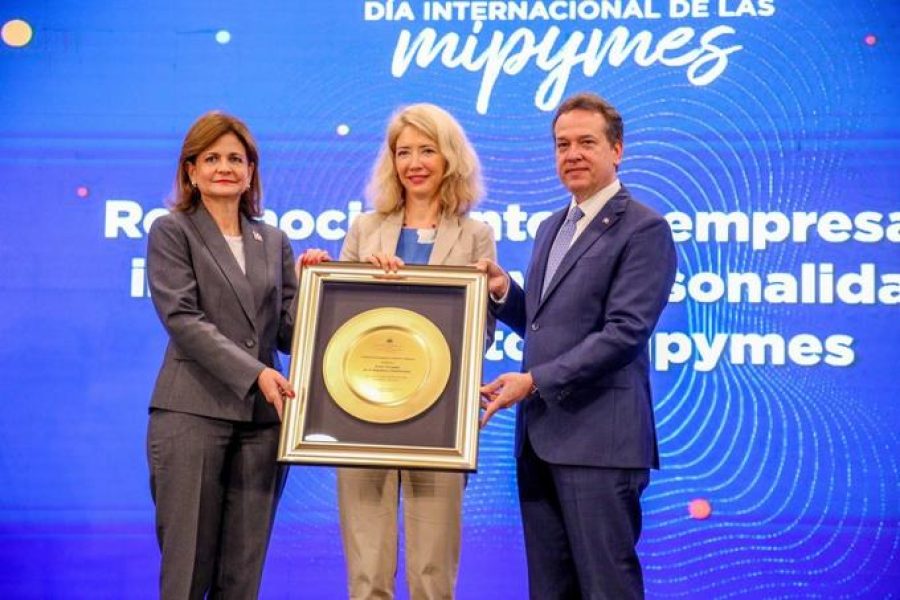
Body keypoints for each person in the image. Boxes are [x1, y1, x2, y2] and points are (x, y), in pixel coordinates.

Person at [477, 92, 677, 599]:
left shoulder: (644, 228)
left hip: (600, 445)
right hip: (542, 440)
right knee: (550, 590)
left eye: (587, 142)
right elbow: (546, 326)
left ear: (617, 150)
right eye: (562, 144)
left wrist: (534, 381)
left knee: (607, 588)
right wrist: (505, 293)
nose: (572, 154)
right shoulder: (551, 226)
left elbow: (625, 333)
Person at [300, 103, 496, 599]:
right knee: (367, 576)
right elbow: (333, 330)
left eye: (427, 150)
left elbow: (484, 334)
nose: (414, 162)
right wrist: (327, 276)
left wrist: (476, 300)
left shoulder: (476, 235)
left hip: (439, 423)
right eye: (403, 151)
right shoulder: (365, 231)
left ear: (449, 157)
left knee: (432, 575)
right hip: (362, 422)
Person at [145, 111, 298, 599]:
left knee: (242, 577)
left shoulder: (273, 241)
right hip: (191, 415)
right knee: (187, 572)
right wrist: (256, 374)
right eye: (211, 158)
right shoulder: (172, 231)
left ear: (251, 170)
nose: (224, 167)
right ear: (190, 170)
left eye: (236, 158)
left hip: (263, 424)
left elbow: (292, 333)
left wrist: (326, 286)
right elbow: (183, 319)